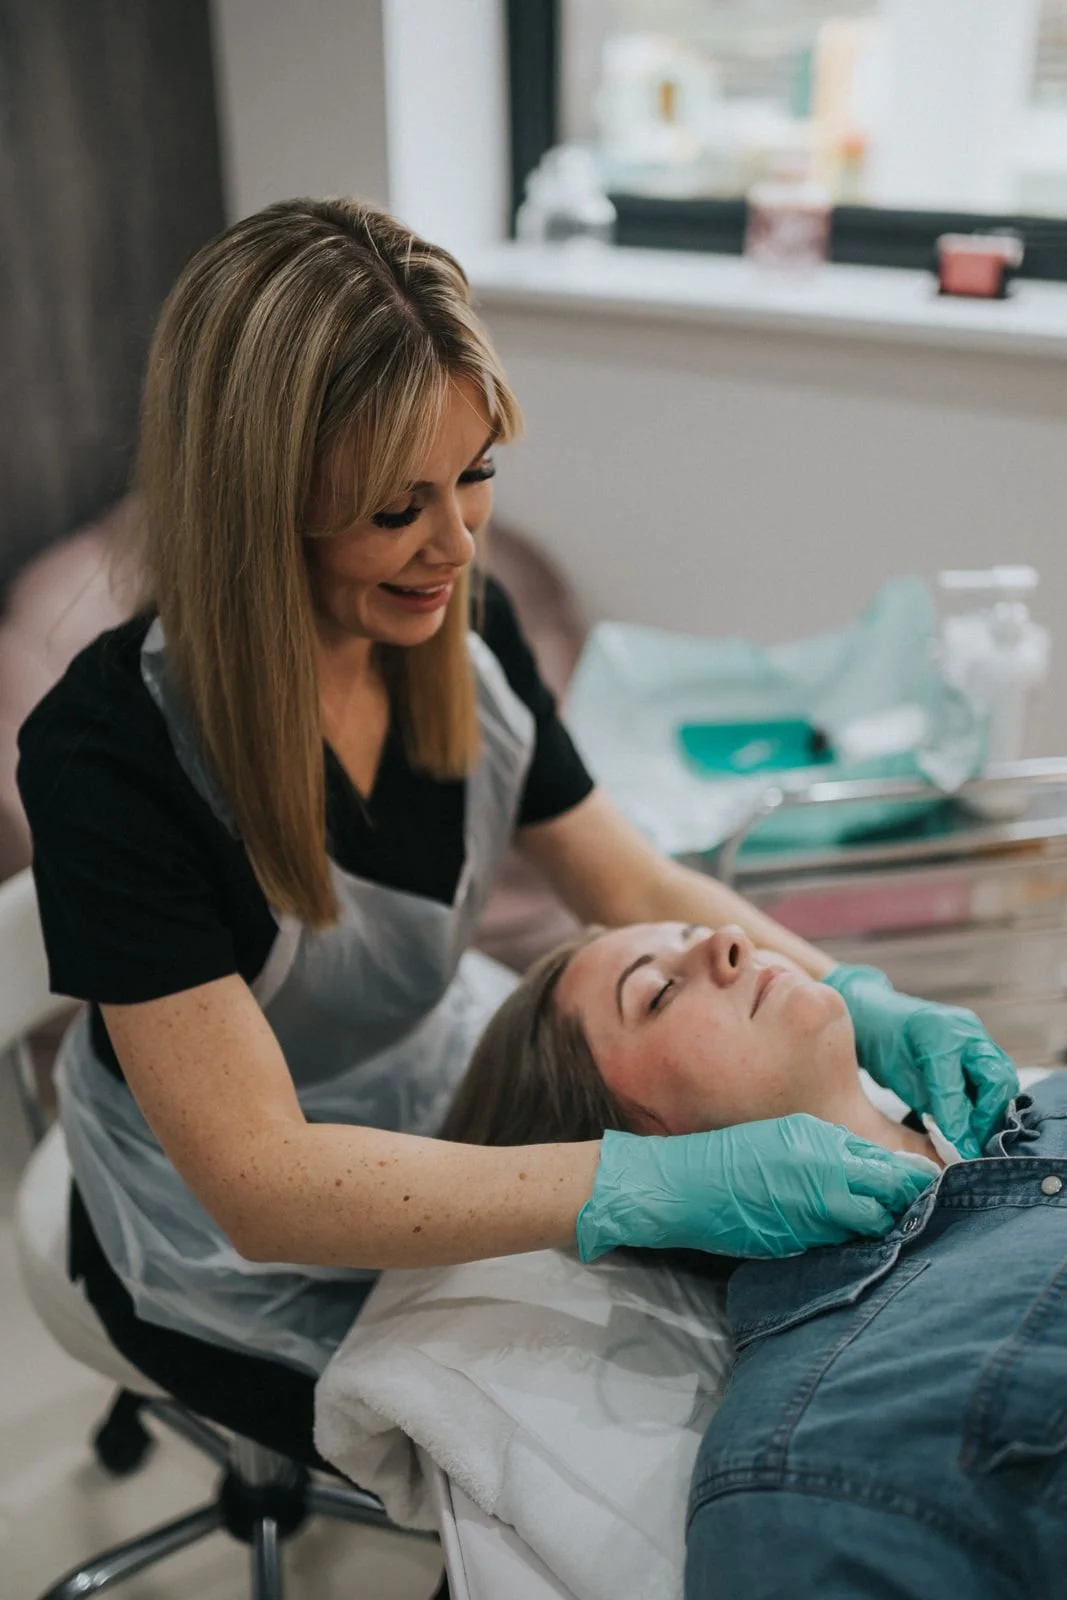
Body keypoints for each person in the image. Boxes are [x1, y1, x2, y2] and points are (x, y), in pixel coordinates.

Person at [16, 197, 1011, 1470]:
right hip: (219, 1229)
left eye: (474, 473)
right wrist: (639, 1186)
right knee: (541, 1462)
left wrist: (867, 1000)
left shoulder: (458, 635)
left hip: (436, 1094)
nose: (454, 542)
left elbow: (627, 875)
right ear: (258, 506)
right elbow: (258, 1180)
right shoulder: (112, 758)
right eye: (393, 509)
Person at [442, 920, 1067, 1598]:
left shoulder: (1044, 1103)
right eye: (657, 994)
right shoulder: (817, 1453)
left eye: (695, 930)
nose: (731, 939)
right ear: (632, 1142)